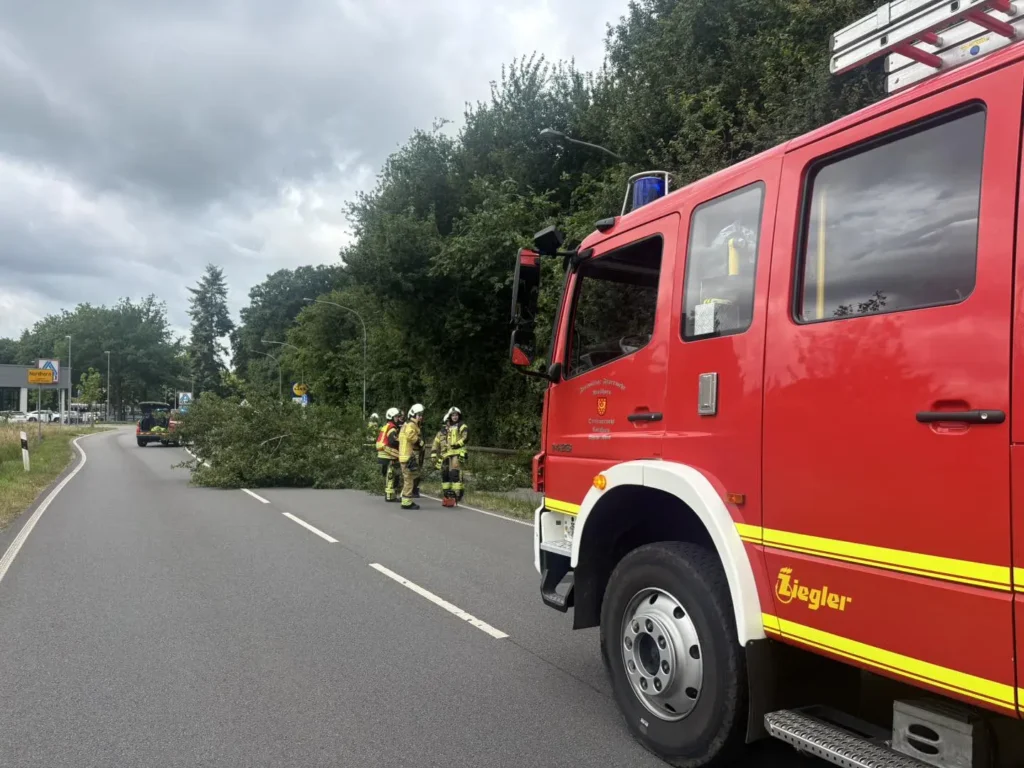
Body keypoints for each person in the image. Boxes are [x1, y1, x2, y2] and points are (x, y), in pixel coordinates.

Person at [399, 403, 425, 510]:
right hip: (407, 456)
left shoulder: (407, 425)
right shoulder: (411, 425)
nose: (421, 417)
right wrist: (419, 442)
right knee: (409, 480)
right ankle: (406, 502)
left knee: (409, 478)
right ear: (413, 415)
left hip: (405, 456)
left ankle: (404, 497)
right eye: (419, 415)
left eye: (421, 415)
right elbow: (410, 436)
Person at [375, 407, 401, 502]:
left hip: (382, 453)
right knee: (392, 474)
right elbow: (392, 441)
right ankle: (390, 496)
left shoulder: (386, 425)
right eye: (396, 416)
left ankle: (390, 494)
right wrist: (401, 442)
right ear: (391, 417)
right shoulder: (392, 428)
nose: (398, 418)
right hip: (388, 453)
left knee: (389, 474)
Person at [444, 406, 468, 502]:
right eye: (453, 415)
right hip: (450, 453)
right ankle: (454, 493)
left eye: (456, 415)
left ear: (459, 415)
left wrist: (457, 444)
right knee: (451, 474)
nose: (454, 417)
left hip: (458, 453)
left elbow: (466, 438)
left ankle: (458, 494)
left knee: (456, 474)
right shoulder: (449, 426)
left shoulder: (461, 425)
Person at [431, 419, 451, 505]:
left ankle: (454, 495)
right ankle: (446, 495)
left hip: (453, 457)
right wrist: (433, 455)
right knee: (445, 476)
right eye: (448, 421)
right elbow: (435, 444)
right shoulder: (440, 433)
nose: (449, 423)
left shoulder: (455, 431)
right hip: (444, 458)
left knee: (454, 476)